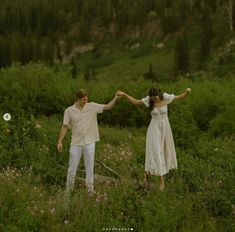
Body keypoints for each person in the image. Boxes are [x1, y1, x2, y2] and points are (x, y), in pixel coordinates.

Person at [117, 87, 191, 191]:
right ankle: (160, 181)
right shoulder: (149, 100)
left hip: (165, 129)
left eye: (155, 97)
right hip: (154, 129)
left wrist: (187, 92)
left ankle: (147, 176)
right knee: (154, 152)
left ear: (159, 94)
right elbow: (136, 102)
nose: (153, 99)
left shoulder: (166, 97)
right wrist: (124, 94)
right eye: (152, 98)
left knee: (164, 151)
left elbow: (179, 97)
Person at [57, 89, 119, 194]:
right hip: (76, 143)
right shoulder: (69, 110)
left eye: (86, 99)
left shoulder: (92, 106)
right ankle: (68, 192)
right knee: (72, 168)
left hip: (90, 142)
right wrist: (60, 141)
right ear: (77, 99)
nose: (85, 101)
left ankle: (90, 191)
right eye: (83, 100)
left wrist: (116, 98)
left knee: (90, 168)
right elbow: (64, 126)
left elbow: (108, 107)